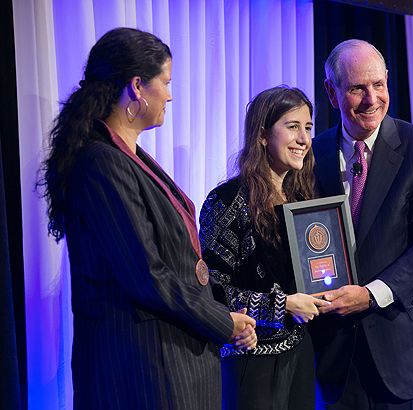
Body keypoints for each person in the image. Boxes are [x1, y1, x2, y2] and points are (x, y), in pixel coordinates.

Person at [38, 27, 256, 410]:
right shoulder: (101, 163)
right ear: (137, 86)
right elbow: (147, 275)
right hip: (143, 371)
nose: (170, 95)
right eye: (165, 82)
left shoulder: (126, 157)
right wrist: (223, 322)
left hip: (169, 361)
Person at [310, 39, 413, 409]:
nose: (371, 99)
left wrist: (370, 294)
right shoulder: (313, 155)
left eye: (378, 85)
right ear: (331, 94)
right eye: (356, 88)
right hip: (338, 364)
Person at [199, 85, 330, 410]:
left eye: (308, 128)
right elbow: (212, 293)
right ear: (261, 135)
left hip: (300, 356)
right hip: (249, 362)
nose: (304, 139)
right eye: (292, 126)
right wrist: (283, 305)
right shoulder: (226, 201)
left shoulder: (305, 201)